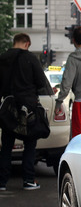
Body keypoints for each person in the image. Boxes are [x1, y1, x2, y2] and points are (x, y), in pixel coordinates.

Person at [0, 33, 53, 191]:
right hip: (28, 106)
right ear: (27, 44)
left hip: (8, 106)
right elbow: (41, 82)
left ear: (14, 42)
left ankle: (2, 182)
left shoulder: (2, 58)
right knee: (30, 143)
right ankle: (29, 180)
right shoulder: (30, 58)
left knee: (6, 146)